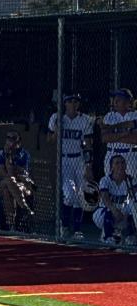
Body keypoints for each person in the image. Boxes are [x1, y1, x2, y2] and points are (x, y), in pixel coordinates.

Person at [48, 92, 94, 240]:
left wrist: (88, 165)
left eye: (76, 102)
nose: (73, 104)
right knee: (69, 193)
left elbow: (88, 144)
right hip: (64, 160)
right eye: (70, 101)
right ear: (65, 103)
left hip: (79, 160)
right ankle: (65, 226)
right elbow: (50, 140)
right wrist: (57, 129)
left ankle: (77, 230)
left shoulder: (85, 119)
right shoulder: (56, 117)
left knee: (80, 196)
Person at [93, 153, 137, 247]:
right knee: (109, 210)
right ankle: (108, 237)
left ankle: (131, 235)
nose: (120, 165)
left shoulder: (131, 180)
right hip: (105, 213)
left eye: (122, 163)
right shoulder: (105, 180)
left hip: (124, 214)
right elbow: (105, 198)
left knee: (133, 207)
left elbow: (134, 198)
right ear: (111, 167)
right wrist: (114, 210)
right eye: (117, 163)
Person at [0, 130, 35, 230]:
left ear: (18, 142)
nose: (9, 141)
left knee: (7, 191)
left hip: (22, 186)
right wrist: (8, 156)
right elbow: (3, 173)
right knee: (8, 181)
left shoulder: (24, 154)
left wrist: (9, 159)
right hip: (3, 183)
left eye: (12, 138)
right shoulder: (1, 152)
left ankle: (11, 225)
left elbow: (20, 175)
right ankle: (24, 207)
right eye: (8, 137)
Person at [101, 87, 137, 181]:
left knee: (132, 185)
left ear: (128, 101)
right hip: (112, 153)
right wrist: (126, 133)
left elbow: (135, 139)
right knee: (110, 183)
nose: (115, 101)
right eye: (115, 99)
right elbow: (105, 138)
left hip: (131, 154)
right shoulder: (109, 116)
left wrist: (114, 137)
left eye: (119, 99)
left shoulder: (135, 115)